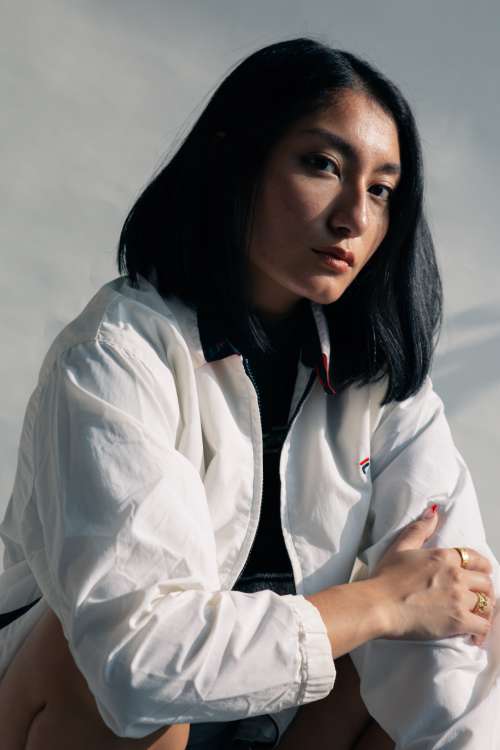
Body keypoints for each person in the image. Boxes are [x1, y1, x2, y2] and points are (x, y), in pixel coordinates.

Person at [0, 37, 498, 750]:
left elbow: (464, 613)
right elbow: (138, 665)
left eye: (382, 189)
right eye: (323, 165)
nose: (355, 216)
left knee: (426, 653)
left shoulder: (386, 391)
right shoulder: (117, 352)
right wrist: (378, 601)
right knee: (106, 666)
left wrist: (411, 613)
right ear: (239, 160)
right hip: (91, 720)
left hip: (279, 724)